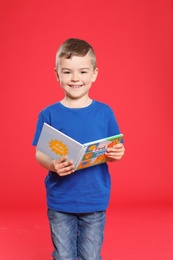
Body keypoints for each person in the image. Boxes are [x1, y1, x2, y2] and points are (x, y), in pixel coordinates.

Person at [32, 38, 125, 260]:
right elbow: (40, 154)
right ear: (57, 74)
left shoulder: (105, 112)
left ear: (94, 74)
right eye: (67, 72)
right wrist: (52, 164)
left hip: (94, 199)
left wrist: (117, 153)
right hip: (60, 200)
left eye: (83, 72)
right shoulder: (49, 114)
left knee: (91, 256)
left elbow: (116, 146)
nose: (75, 78)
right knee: (63, 255)